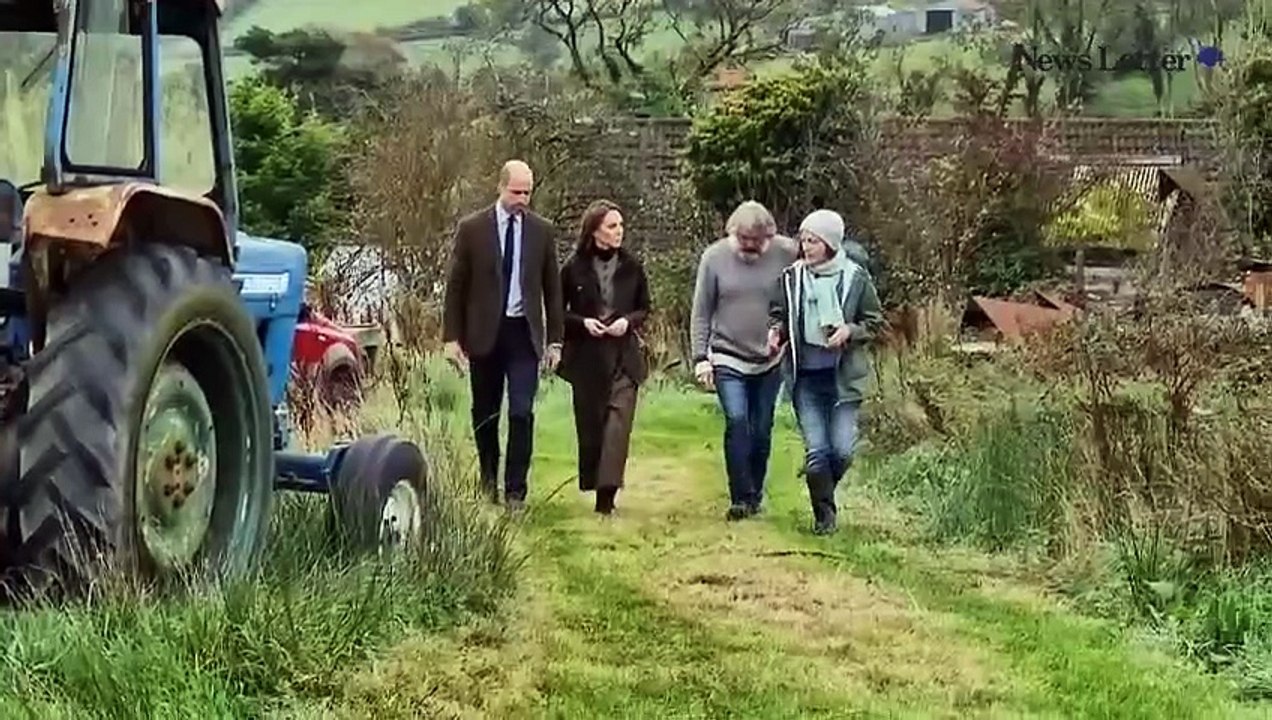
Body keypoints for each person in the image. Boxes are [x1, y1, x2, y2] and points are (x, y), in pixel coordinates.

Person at [442, 160, 564, 511]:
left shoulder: (542, 231)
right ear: (500, 187)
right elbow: (455, 287)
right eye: (516, 192)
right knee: (486, 412)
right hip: (484, 334)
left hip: (523, 334)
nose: (522, 199)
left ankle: (515, 491)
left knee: (522, 412)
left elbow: (552, 289)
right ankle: (488, 479)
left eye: (528, 192)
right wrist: (452, 337)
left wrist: (555, 340)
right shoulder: (473, 229)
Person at [768, 209, 884, 535]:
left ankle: (820, 483)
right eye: (803, 240)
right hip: (806, 377)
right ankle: (825, 519)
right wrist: (776, 333)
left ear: (830, 244)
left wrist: (850, 330)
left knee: (843, 451)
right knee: (817, 450)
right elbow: (779, 313)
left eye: (813, 241)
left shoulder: (855, 278)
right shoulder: (791, 278)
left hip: (844, 378)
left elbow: (875, 322)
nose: (806, 247)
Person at [689, 200, 798, 521]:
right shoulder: (714, 258)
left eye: (757, 243)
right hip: (727, 354)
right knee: (737, 421)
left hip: (770, 359)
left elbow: (801, 297)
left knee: (761, 427)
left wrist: (785, 334)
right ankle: (739, 497)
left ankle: (754, 494)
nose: (750, 249)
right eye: (743, 242)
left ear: (770, 237)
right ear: (731, 232)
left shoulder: (788, 254)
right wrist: (700, 357)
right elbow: (701, 311)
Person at [556, 200, 651, 516]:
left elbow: (644, 308)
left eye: (621, 225)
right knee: (593, 427)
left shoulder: (632, 267)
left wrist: (628, 321)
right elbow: (557, 311)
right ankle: (595, 484)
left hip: (624, 356)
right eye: (612, 226)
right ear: (595, 230)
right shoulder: (573, 268)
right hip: (587, 358)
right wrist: (583, 323)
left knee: (617, 427)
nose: (619, 231)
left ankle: (607, 498)